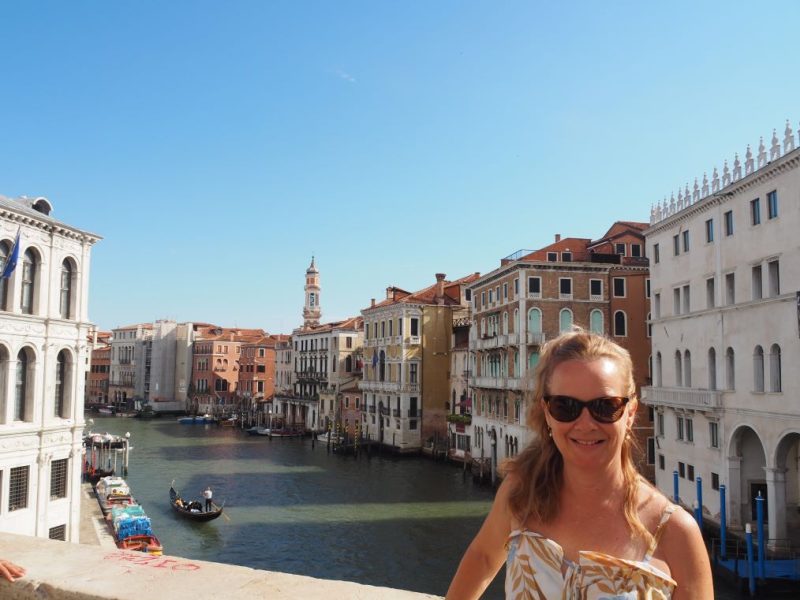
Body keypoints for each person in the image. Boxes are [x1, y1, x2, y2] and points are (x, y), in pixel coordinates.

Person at [446, 330, 713, 599]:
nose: (585, 424)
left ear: (630, 413)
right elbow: (482, 557)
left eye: (605, 406)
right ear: (548, 413)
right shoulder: (521, 493)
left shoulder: (675, 532)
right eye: (565, 406)